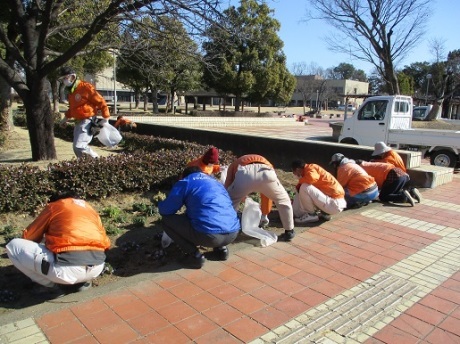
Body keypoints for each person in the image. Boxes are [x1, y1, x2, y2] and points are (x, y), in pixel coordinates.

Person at [6, 191, 110, 295]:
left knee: (13, 246)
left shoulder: (54, 206)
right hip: (97, 267)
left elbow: (29, 237)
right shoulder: (89, 209)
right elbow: (106, 242)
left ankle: (54, 286)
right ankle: (82, 283)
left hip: (66, 272)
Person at [158, 166, 240, 269]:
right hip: (233, 233)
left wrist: (160, 203)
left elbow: (166, 210)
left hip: (210, 236)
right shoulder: (215, 182)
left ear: (183, 176)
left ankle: (194, 256)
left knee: (166, 220)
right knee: (212, 215)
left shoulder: (185, 182)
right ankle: (221, 250)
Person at [224, 154, 295, 242]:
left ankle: (226, 231)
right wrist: (265, 214)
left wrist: (239, 197)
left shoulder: (233, 165)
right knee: (283, 200)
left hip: (244, 173)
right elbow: (267, 195)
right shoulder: (266, 161)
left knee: (229, 203)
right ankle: (289, 231)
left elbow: (227, 187)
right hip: (266, 172)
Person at [58, 66, 111, 158]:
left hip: (87, 120)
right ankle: (87, 166)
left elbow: (101, 101)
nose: (64, 81)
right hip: (78, 121)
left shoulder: (86, 87)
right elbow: (73, 109)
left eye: (65, 78)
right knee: (76, 148)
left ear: (73, 77)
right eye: (62, 79)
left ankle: (98, 161)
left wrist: (106, 118)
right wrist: (65, 119)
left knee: (79, 146)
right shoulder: (71, 91)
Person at [291, 159, 347, 223]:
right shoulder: (310, 170)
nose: (294, 174)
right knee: (304, 187)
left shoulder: (310, 168)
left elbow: (312, 178)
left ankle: (311, 215)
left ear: (298, 169)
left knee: (304, 187)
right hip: (335, 202)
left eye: (293, 171)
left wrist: (300, 182)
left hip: (334, 204)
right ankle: (325, 213)